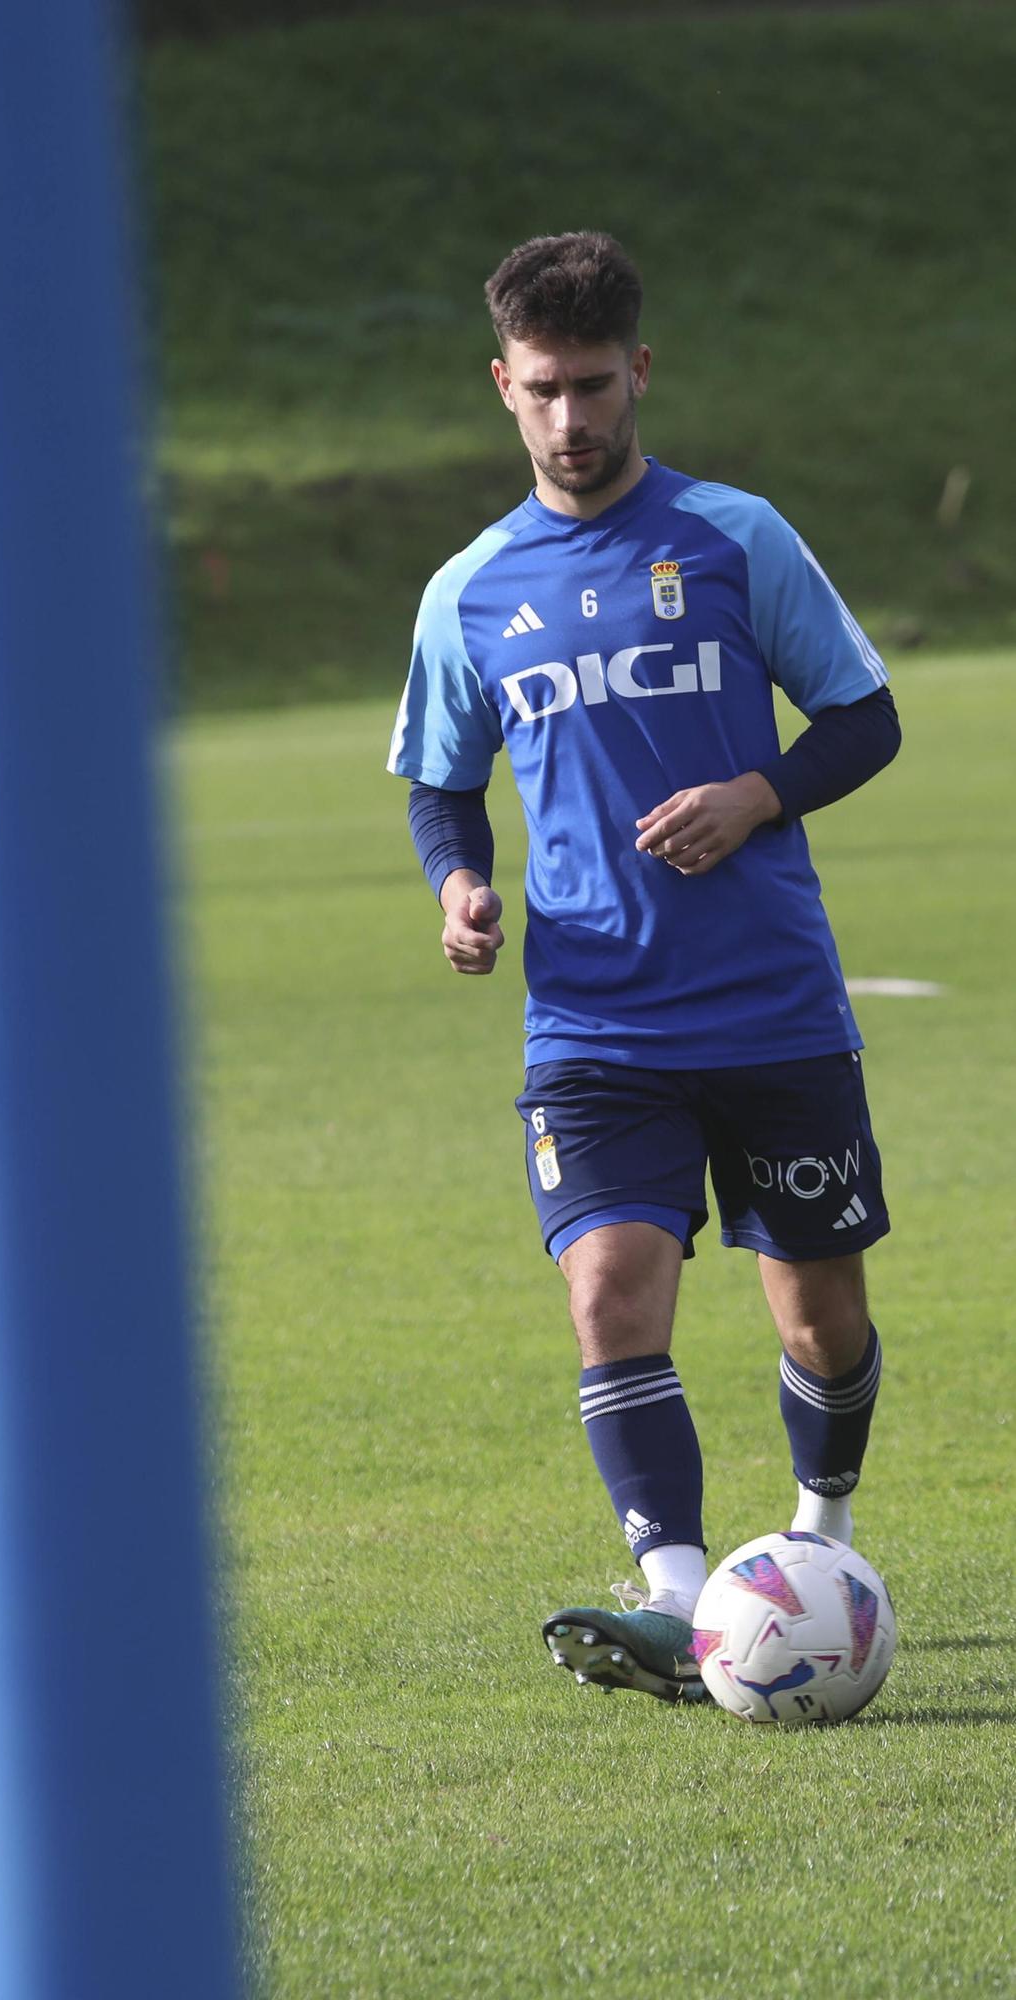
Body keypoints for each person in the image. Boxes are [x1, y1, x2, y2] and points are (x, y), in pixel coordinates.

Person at [387, 232, 901, 1705]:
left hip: (770, 1005)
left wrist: (759, 796)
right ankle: (676, 1596)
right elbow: (438, 780)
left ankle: (816, 1543)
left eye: (594, 386)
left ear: (640, 372)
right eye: (542, 391)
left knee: (821, 1318)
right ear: (502, 386)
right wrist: (460, 881)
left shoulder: (736, 537)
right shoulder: (469, 589)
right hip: (594, 1019)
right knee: (611, 1293)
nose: (572, 419)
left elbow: (862, 718)